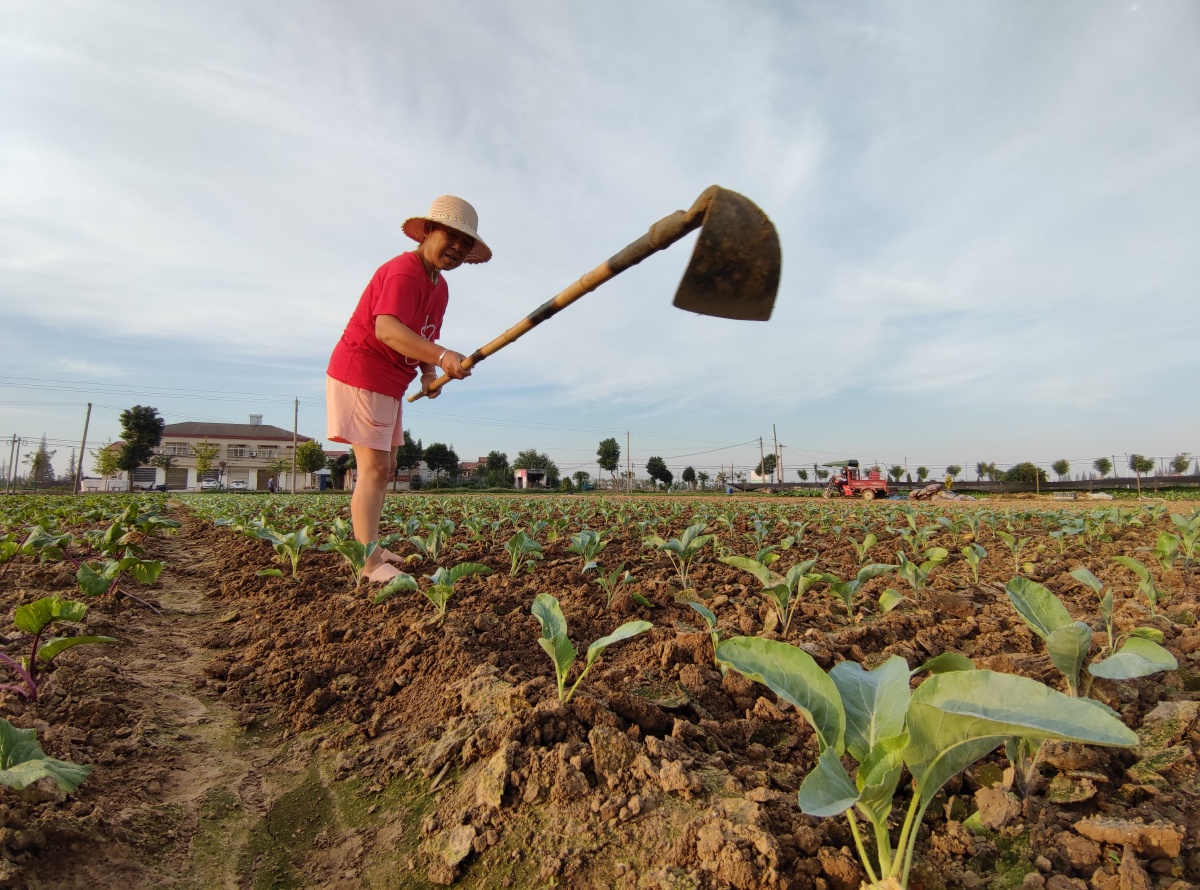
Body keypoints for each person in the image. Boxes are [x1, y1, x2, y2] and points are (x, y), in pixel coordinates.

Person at [326, 195, 490, 584]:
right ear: (429, 231)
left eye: (465, 244)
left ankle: (372, 545)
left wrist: (429, 373)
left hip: (391, 382)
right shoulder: (404, 271)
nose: (457, 248)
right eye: (451, 236)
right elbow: (387, 329)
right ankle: (367, 563)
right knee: (375, 468)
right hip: (361, 372)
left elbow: (422, 334)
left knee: (388, 467)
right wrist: (443, 354)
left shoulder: (439, 286)